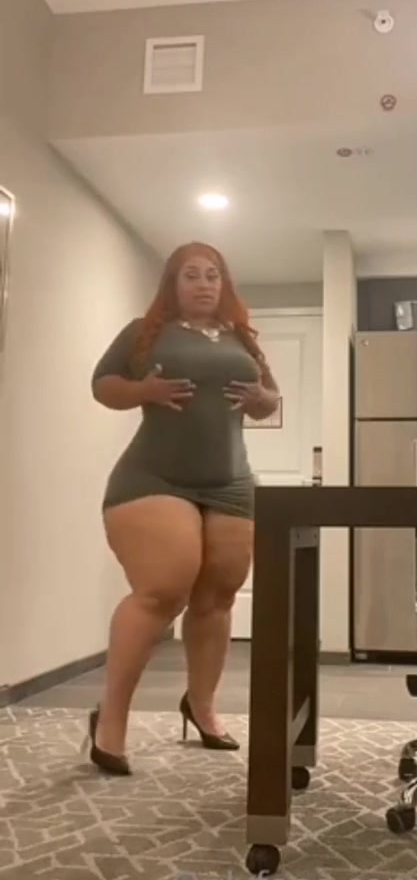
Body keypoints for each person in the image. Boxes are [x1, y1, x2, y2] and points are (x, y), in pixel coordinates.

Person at [86, 242, 280, 775]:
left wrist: (261, 400)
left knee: (217, 596)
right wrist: (143, 390)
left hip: (231, 482)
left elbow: (270, 399)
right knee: (163, 589)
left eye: (212, 275)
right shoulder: (145, 332)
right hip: (154, 477)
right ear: (173, 284)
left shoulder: (242, 336)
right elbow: (103, 385)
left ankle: (202, 706)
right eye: (191, 275)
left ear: (224, 284)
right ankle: (111, 721)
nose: (203, 284)